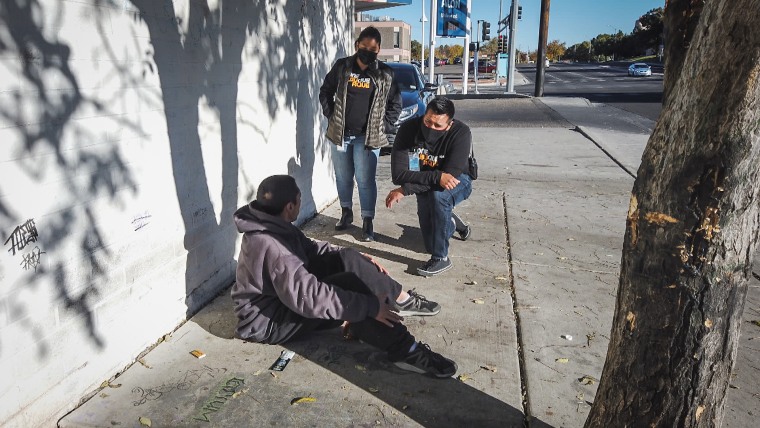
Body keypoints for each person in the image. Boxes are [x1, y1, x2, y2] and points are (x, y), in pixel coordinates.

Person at [231, 174, 457, 378]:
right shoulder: (274, 247)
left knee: (347, 258)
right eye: (300, 198)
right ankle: (406, 351)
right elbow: (308, 299)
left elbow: (310, 249)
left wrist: (356, 257)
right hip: (268, 322)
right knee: (353, 290)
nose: (301, 202)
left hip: (284, 299)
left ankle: (400, 298)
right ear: (290, 206)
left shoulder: (271, 222)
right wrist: (369, 307)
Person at [319, 26, 402, 242]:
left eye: (372, 48)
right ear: (357, 45)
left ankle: (367, 221)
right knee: (343, 177)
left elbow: (395, 104)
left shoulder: (385, 73)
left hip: (368, 138)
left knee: (365, 180)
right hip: (341, 135)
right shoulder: (343, 66)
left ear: (378, 50)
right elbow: (325, 91)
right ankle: (346, 213)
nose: (367, 51)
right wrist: (331, 115)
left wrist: (384, 126)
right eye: (364, 47)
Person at [385, 97, 473, 277]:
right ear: (424, 115)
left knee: (439, 197)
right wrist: (435, 176)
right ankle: (450, 220)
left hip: (459, 181)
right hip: (425, 181)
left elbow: (449, 177)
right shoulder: (409, 129)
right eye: (427, 121)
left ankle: (441, 258)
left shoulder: (461, 133)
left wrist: (405, 189)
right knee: (429, 244)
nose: (431, 128)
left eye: (437, 125)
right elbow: (399, 174)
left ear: (449, 124)